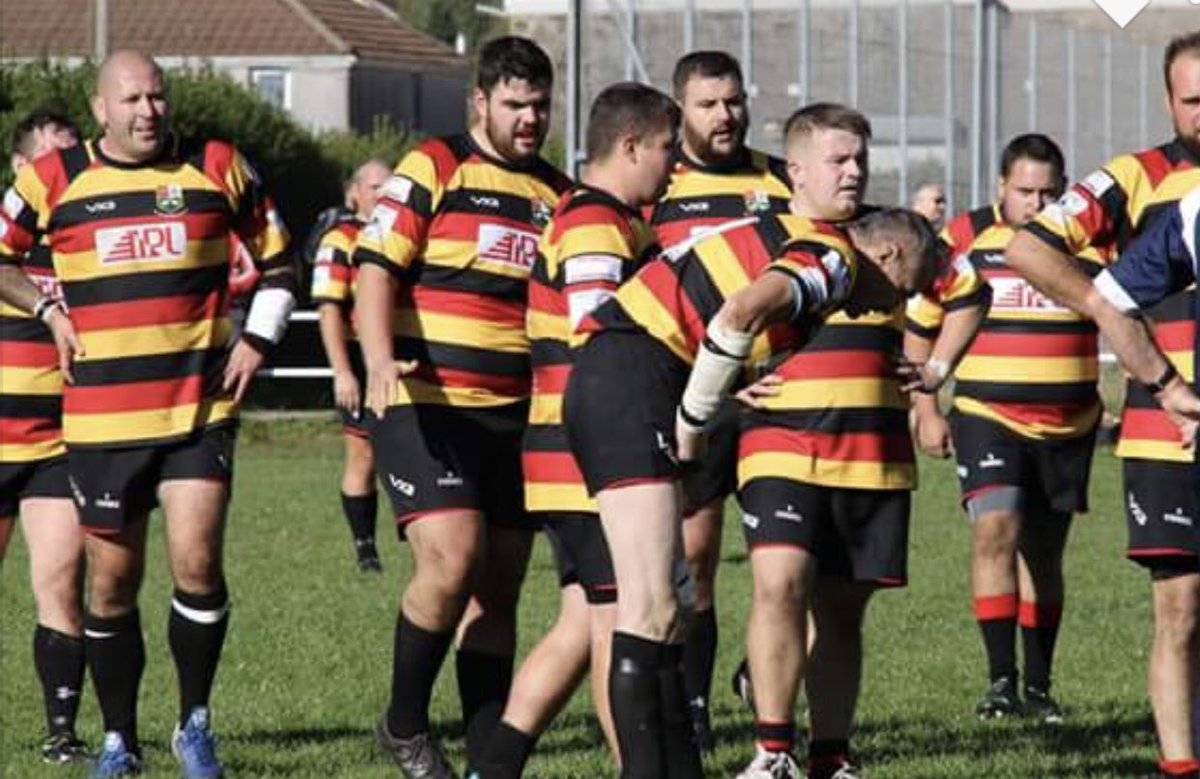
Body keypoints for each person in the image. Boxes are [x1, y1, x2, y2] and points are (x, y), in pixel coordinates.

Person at [565, 123, 940, 777]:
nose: (893, 306)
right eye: (903, 290)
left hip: (622, 374)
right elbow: (739, 313)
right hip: (633, 377)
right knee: (652, 605)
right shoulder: (836, 260)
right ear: (890, 259)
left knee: (672, 604)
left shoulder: (802, 239)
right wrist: (691, 421)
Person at [0, 50, 297, 779]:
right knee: (110, 584)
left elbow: (282, 260)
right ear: (99, 110)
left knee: (197, 563)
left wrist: (259, 337)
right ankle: (118, 738)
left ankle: (195, 725)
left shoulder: (218, 166)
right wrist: (47, 308)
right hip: (101, 422)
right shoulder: (52, 178)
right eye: (131, 99)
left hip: (198, 410)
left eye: (157, 97)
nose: (148, 111)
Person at [729, 104, 986, 779]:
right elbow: (705, 312)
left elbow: (971, 291)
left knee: (841, 612)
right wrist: (721, 387)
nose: (854, 171)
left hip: (871, 451)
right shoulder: (757, 235)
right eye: (839, 160)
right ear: (797, 168)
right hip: (779, 440)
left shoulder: (893, 233)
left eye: (861, 159)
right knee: (779, 581)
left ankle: (829, 755)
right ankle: (771, 751)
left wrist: (934, 370)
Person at [354, 36, 571, 779]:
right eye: (515, 104)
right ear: (479, 102)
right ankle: (405, 723)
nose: (529, 119)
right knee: (452, 559)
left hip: (518, 416)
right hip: (423, 401)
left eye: (540, 105)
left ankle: (486, 755)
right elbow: (375, 268)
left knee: (501, 582)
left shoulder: (557, 193)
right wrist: (379, 359)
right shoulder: (434, 166)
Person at [1005, 30, 1200, 779]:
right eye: (1192, 100)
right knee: (1181, 610)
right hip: (1165, 430)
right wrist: (1106, 309)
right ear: (1166, 100)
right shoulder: (1136, 176)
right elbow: (1029, 248)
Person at [473, 81, 679, 779]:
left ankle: (492, 766)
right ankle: (637, 766)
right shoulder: (595, 222)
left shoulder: (607, 217)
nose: (672, 166)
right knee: (619, 626)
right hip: (590, 455)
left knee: (577, 626)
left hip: (565, 453)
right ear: (629, 145)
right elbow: (600, 332)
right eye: (665, 149)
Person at [908, 134, 1097, 724]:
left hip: (1071, 423)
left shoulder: (1089, 240)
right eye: (1024, 192)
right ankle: (999, 683)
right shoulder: (962, 237)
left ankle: (1039, 689)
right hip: (987, 417)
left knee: (1044, 555)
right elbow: (922, 318)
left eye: (1048, 193)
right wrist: (926, 407)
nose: (1036, 204)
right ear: (1000, 188)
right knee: (995, 530)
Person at [644, 50, 793, 748]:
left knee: (795, 562)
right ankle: (695, 706)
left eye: (732, 101)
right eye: (708, 104)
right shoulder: (657, 187)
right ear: (680, 111)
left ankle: (756, 668)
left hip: (781, 398)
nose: (725, 115)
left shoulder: (782, 179)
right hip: (696, 403)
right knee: (696, 558)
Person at [0, 108, 89, 765]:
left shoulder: (88, 238)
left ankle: (61, 730)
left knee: (60, 583)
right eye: (51, 161)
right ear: (20, 170)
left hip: (58, 445)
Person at [311, 158, 391, 573]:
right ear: (354, 194)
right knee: (363, 455)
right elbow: (329, 310)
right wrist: (342, 371)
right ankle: (366, 549)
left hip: (398, 358)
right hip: (360, 359)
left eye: (390, 186)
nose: (384, 193)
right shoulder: (340, 240)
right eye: (376, 186)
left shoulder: (404, 235)